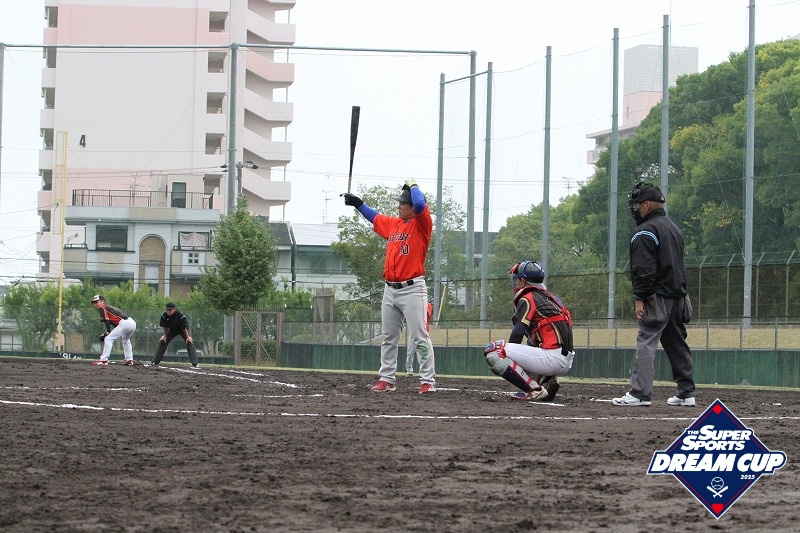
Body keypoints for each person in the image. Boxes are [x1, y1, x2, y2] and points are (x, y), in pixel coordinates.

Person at [343, 181, 436, 394]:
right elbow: (375, 217)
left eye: (403, 203)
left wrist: (414, 186)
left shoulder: (421, 224)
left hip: (413, 289)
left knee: (419, 337)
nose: (398, 206)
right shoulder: (395, 224)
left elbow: (420, 204)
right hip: (390, 289)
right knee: (388, 337)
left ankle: (427, 381)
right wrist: (358, 204)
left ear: (412, 207)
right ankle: (387, 379)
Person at [612, 182, 696, 407]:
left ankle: (640, 393)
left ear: (647, 205)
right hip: (679, 298)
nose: (636, 209)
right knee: (677, 344)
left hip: (656, 298)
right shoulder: (674, 229)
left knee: (646, 342)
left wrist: (640, 298)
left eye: (638, 204)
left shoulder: (644, 231)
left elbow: (644, 270)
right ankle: (686, 393)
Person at [484, 261, 575, 401]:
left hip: (552, 358)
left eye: (517, 279)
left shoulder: (529, 297)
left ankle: (535, 389)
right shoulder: (551, 299)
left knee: (494, 351)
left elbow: (518, 332)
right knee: (531, 344)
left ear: (523, 281)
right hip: (565, 359)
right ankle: (546, 380)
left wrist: (510, 358)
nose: (516, 283)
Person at [90, 294, 137, 365]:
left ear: (102, 301)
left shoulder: (102, 306)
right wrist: (109, 332)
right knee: (125, 339)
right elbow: (116, 324)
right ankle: (129, 360)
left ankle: (103, 360)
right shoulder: (108, 307)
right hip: (132, 323)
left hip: (125, 323)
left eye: (97, 302)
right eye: (94, 303)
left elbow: (106, 319)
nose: (95, 304)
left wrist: (108, 332)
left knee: (108, 339)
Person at [150, 302, 199, 368]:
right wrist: (165, 336)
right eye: (167, 310)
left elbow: (184, 327)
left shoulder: (180, 315)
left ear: (174, 309)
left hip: (183, 330)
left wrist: (187, 337)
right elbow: (165, 327)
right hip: (173, 329)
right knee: (163, 341)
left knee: (189, 342)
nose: (168, 311)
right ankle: (155, 361)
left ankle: (195, 363)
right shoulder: (164, 316)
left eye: (170, 310)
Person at [406, 302, 433, 376]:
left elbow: (426, 314)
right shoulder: (414, 304)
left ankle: (424, 371)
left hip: (423, 332)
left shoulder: (428, 305)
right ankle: (409, 371)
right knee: (410, 353)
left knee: (422, 353)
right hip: (413, 331)